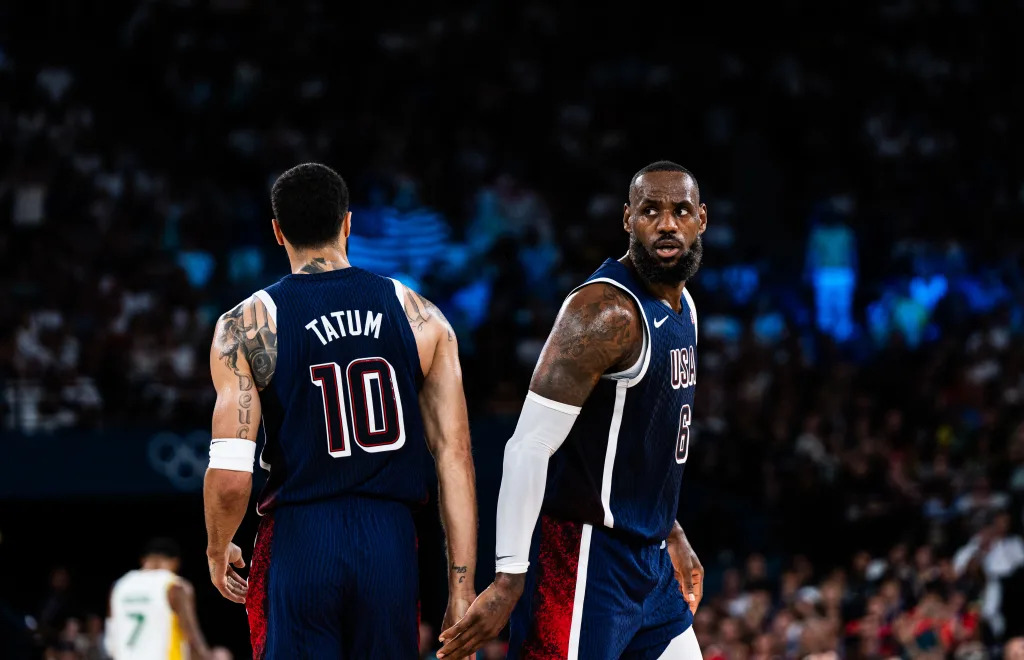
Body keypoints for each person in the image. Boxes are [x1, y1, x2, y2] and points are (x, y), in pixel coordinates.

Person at [202, 163, 477, 658]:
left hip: (301, 537)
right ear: (348, 224)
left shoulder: (245, 324)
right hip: (388, 542)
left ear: (277, 231)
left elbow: (229, 475)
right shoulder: (422, 315)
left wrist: (218, 546)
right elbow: (455, 460)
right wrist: (461, 590)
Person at [439, 161, 707, 659]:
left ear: (701, 221)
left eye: (680, 211)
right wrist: (507, 578)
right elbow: (527, 446)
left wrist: (670, 528)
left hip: (648, 562)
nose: (667, 223)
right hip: (584, 558)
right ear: (628, 220)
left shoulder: (683, 308)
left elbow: (643, 446)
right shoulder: (604, 312)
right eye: (651, 210)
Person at [105, 538, 211, 659]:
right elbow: (192, 640)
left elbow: (110, 642)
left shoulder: (118, 586)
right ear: (175, 562)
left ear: (143, 559)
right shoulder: (174, 586)